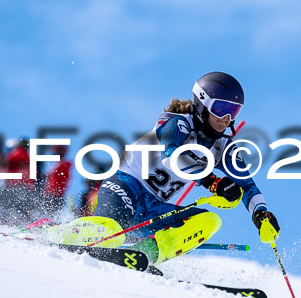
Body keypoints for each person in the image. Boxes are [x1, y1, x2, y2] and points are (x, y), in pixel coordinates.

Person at [94, 71, 280, 268]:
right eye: (221, 109)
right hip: (126, 186)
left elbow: (247, 183)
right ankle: (77, 237)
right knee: (110, 230)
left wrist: (260, 213)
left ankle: (143, 255)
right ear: (203, 104)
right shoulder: (179, 123)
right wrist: (212, 181)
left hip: (153, 209)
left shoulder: (223, 147)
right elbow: (173, 155)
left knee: (208, 220)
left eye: (233, 112)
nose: (226, 119)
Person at [41, 145, 72, 216]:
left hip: (55, 194)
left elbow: (51, 174)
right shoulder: (57, 165)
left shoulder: (65, 163)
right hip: (50, 194)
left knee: (53, 213)